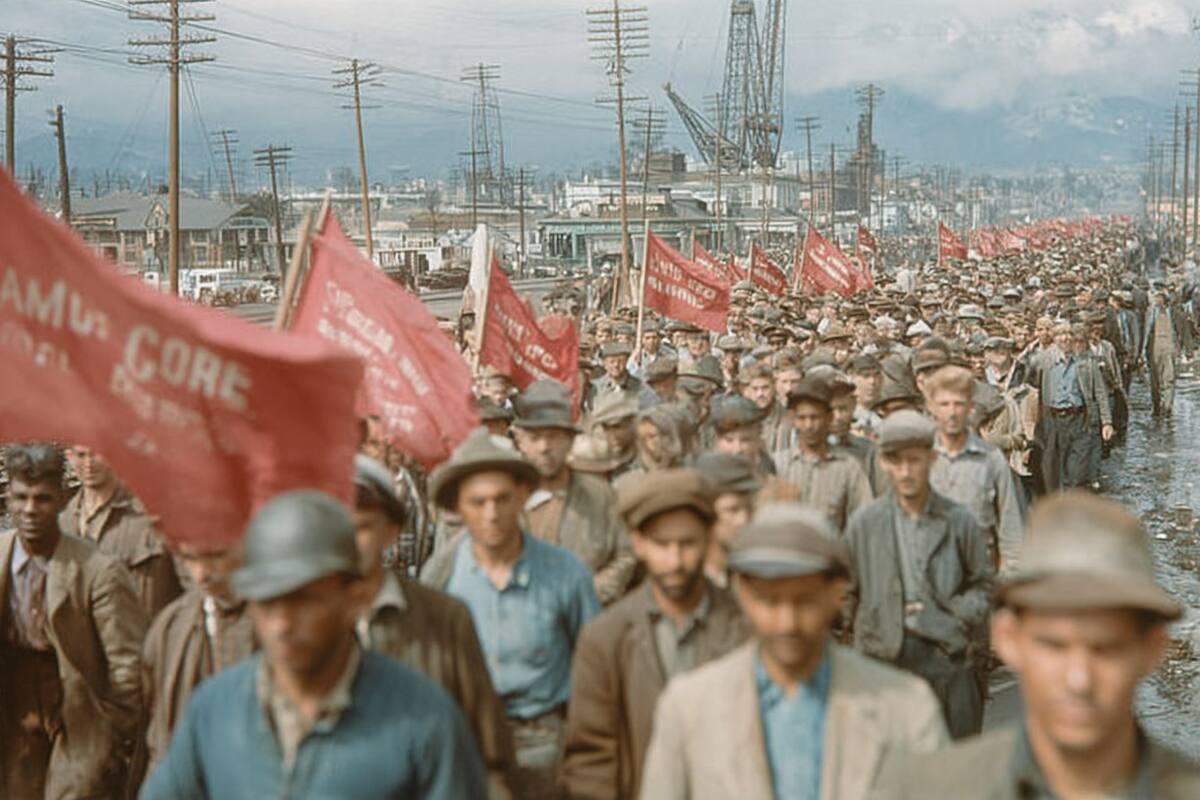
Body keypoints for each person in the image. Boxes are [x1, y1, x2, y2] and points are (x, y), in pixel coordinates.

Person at [143, 490, 487, 798]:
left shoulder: (423, 718)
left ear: (355, 600)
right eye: (266, 604)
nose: (281, 624)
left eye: (303, 601)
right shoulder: (215, 709)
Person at [878, 492, 1200, 798]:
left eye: (1106, 650)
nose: (1079, 680)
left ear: (1152, 651)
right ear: (1008, 639)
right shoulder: (931, 792)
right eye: (1054, 646)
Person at [638, 503, 948, 800]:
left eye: (805, 601)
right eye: (770, 602)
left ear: (836, 594)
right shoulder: (688, 708)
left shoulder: (906, 707)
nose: (787, 623)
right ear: (742, 594)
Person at [420, 428, 601, 799]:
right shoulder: (440, 574)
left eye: (502, 499)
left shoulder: (565, 574)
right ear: (458, 507)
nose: (492, 514)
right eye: (478, 502)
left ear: (522, 496)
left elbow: (595, 672)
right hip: (467, 745)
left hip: (543, 744)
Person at [560, 469, 748, 799]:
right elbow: (591, 756)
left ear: (709, 538)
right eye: (662, 544)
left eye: (687, 544)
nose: (674, 561)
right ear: (639, 543)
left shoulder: (745, 629)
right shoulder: (606, 637)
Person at [351, 454, 518, 799]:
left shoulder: (444, 618)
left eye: (362, 528)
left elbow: (487, 739)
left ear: (392, 531)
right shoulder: (307, 620)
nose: (348, 543)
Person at [0, 444, 147, 800]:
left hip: (75, 703)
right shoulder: (0, 554)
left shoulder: (98, 570)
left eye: (43, 499)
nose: (30, 510)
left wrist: (109, 735)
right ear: (8, 499)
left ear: (62, 500)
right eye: (21, 498)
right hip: (11, 703)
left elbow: (129, 665)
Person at [843, 411, 994, 739]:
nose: (906, 472)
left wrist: (954, 615)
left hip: (947, 656)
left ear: (933, 459)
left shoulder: (958, 521)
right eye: (896, 462)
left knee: (954, 769)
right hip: (884, 660)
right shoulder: (865, 524)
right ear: (883, 463)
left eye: (915, 460)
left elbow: (984, 585)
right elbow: (846, 592)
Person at [139, 535, 255, 781]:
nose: (202, 573)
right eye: (191, 559)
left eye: (214, 556)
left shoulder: (273, 620)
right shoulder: (171, 625)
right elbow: (159, 729)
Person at [512, 381, 636, 604]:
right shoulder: (505, 499)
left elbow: (625, 554)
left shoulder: (600, 496)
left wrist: (590, 592)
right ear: (521, 441)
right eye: (535, 437)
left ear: (570, 440)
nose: (544, 447)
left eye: (553, 436)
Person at [61, 445, 182, 618]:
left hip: (150, 639)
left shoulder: (154, 513)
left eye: (97, 453)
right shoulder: (64, 523)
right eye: (81, 455)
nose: (88, 464)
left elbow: (196, 588)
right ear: (70, 457)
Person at [926, 365, 1025, 572]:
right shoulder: (920, 458)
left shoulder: (991, 459)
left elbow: (1011, 524)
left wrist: (1011, 578)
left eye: (959, 405)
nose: (952, 413)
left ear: (971, 408)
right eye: (944, 404)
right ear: (932, 408)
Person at [773, 375, 872, 532]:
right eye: (802, 418)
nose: (809, 425)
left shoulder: (848, 468)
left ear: (828, 418)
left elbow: (864, 522)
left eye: (815, 418)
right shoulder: (778, 465)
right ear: (793, 420)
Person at [1027, 322, 1113, 491]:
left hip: (1079, 419)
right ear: (1054, 338)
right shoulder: (1043, 361)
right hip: (1052, 420)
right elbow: (1030, 386)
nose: (1065, 338)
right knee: (1053, 470)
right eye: (1060, 334)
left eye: (1068, 334)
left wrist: (1107, 422)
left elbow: (1100, 393)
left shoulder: (1087, 362)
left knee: (1077, 472)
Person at [694, 452, 761, 588]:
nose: (744, 520)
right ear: (705, 512)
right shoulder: (688, 581)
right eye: (733, 510)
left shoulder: (754, 580)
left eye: (750, 508)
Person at [1144, 288, 1181, 418]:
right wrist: (1143, 352)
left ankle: (1168, 407)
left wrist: (1187, 349)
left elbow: (1182, 329)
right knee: (1155, 380)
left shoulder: (1173, 312)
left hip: (1169, 348)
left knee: (1169, 378)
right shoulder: (1151, 313)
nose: (1156, 301)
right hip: (1154, 349)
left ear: (1165, 300)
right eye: (1156, 298)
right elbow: (1146, 333)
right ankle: (1156, 405)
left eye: (1159, 298)